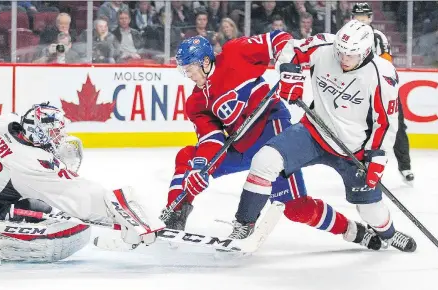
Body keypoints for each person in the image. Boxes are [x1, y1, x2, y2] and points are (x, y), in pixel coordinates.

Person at [161, 34, 383, 251]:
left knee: (297, 209)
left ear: (206, 61)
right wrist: (201, 168)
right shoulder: (195, 102)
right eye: (184, 70)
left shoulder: (235, 53)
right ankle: (176, 211)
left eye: (189, 68)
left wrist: (289, 70)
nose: (187, 74)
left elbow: (279, 40)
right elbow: (212, 138)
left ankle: (355, 232)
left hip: (272, 132)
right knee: (188, 157)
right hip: (243, 146)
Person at [241, 20, 417, 252]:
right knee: (264, 160)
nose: (343, 59)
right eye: (341, 53)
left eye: (350, 56)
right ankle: (244, 224)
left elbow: (385, 123)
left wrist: (377, 159)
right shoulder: (325, 45)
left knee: (371, 212)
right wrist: (290, 74)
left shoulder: (382, 75)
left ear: (365, 52)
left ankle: (389, 234)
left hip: (354, 150)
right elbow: (291, 50)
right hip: (313, 132)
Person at [0, 103, 162, 265]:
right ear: (37, 131)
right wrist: (115, 210)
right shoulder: (30, 163)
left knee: (40, 207)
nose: (59, 137)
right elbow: (77, 194)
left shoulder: (5, 123)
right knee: (38, 217)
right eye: (54, 132)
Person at [351, 2, 414, 184]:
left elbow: (386, 65)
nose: (361, 20)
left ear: (370, 18)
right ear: (352, 18)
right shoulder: (345, 37)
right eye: (358, 16)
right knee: (361, 130)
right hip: (357, 92)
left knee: (396, 127)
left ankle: (405, 166)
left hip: (383, 90)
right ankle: (361, 166)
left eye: (364, 17)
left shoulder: (378, 37)